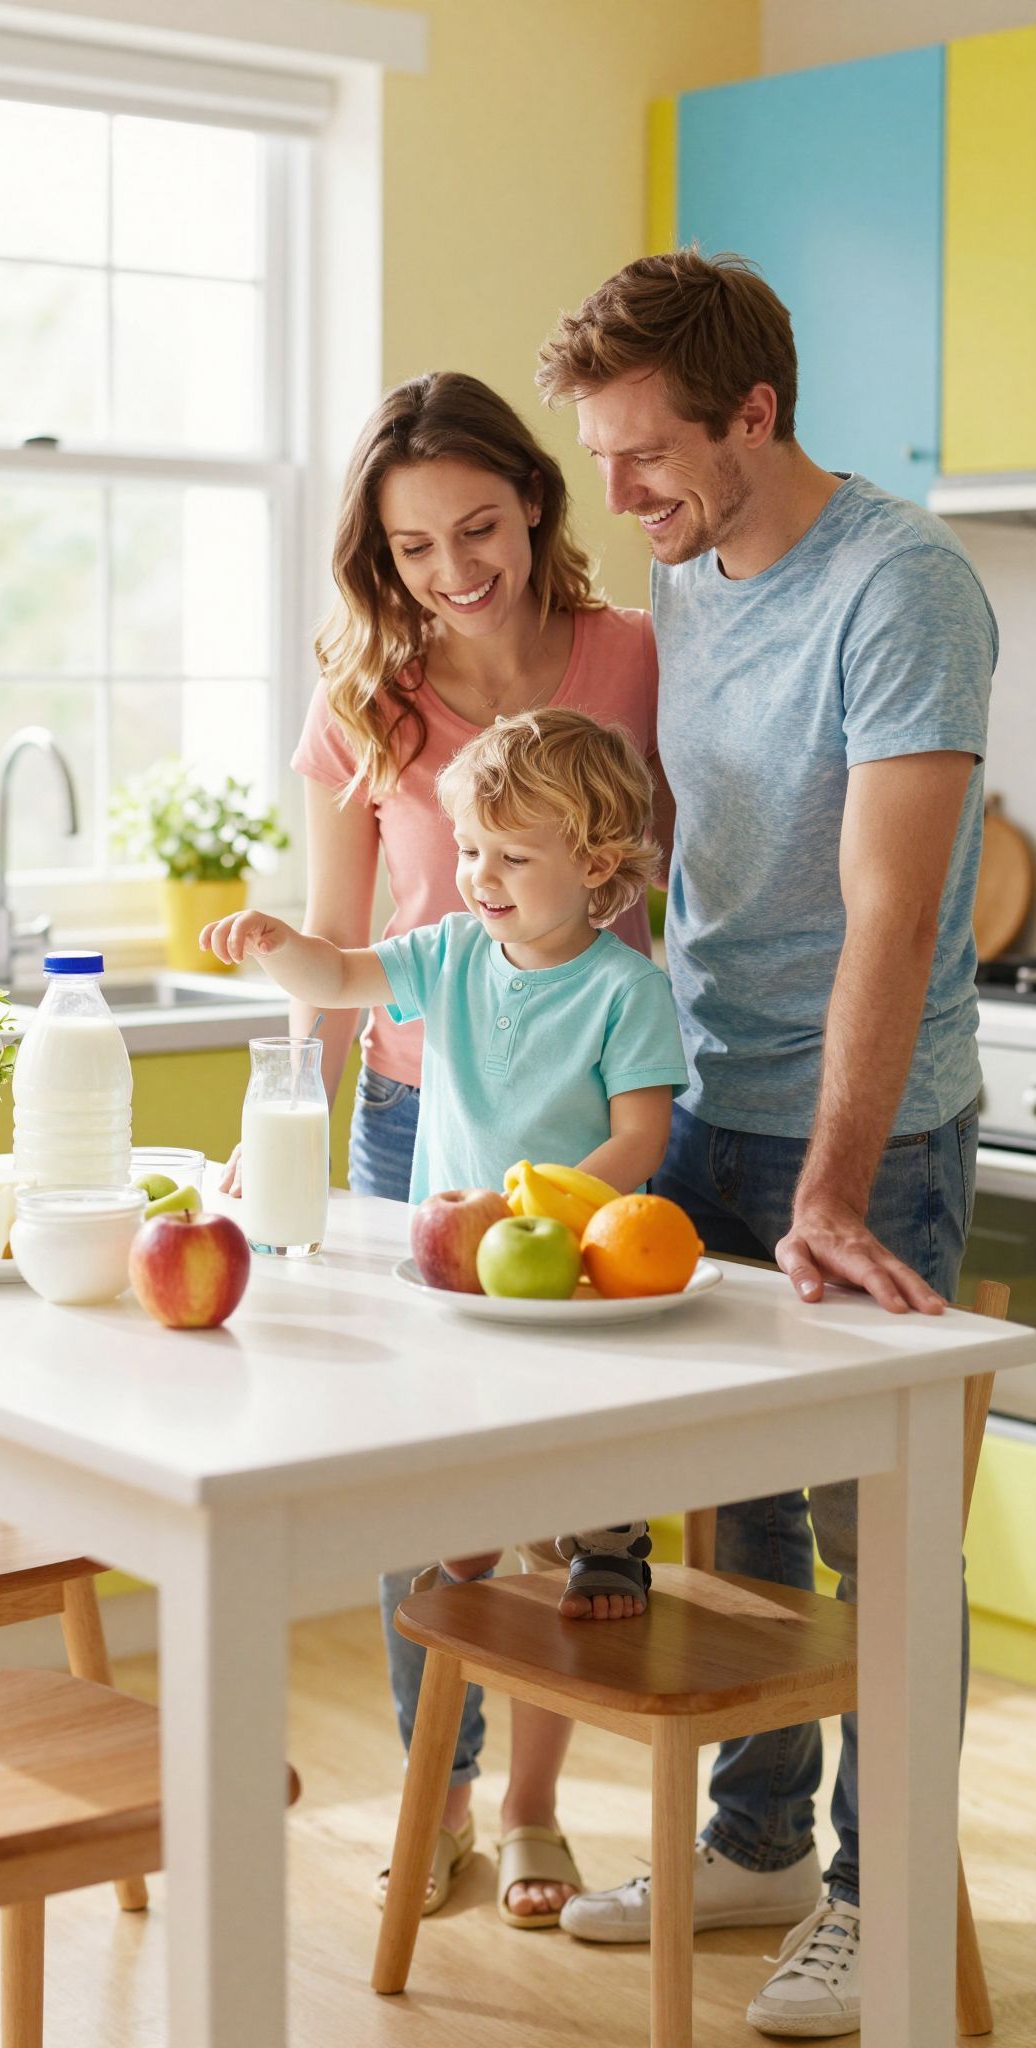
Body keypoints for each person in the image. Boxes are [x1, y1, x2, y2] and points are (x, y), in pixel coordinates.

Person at [534, 250, 996, 2039]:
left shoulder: (903, 588)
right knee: (739, 1538)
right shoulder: (695, 574)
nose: (621, 492)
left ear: (754, 413)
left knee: (880, 1539)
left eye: (646, 453)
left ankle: (882, 1904)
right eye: (600, 456)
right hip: (705, 1107)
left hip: (863, 1137)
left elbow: (890, 913)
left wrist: (821, 1180)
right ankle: (759, 1842)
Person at [223, 371, 665, 1927]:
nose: (453, 568)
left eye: (478, 526)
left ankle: (536, 1809)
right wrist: (274, 1153)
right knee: (430, 1499)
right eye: (413, 547)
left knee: (565, 1481)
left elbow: (661, 891)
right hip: (417, 1126)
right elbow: (339, 951)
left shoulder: (635, 655)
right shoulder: (367, 703)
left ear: (538, 502)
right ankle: (444, 1797)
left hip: (583, 1140)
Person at [204, 707, 687, 1612]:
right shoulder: (452, 952)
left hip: (573, 1255)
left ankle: (605, 1537)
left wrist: (559, 1206)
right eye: (469, 850)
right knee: (457, 1390)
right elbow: (340, 977)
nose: (480, 877)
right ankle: (468, 1517)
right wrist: (278, 947)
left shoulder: (628, 989)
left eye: (511, 856)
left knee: (578, 1405)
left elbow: (642, 1137)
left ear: (593, 864)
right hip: (451, 1249)